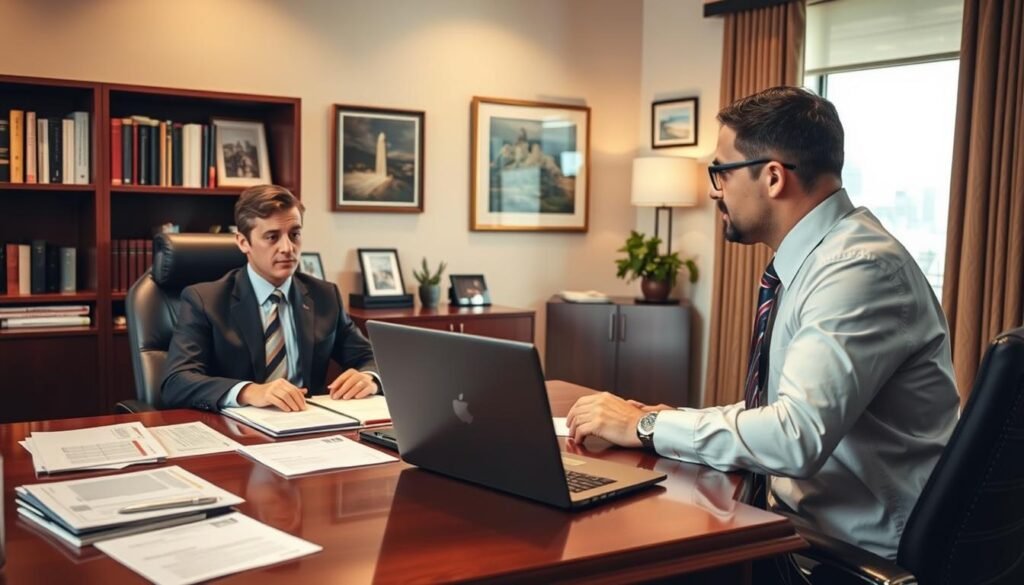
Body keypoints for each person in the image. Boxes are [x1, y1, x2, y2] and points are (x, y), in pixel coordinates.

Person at [567, 86, 960, 562]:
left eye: (720, 172)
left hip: (844, 553)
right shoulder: (819, 260)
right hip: (801, 525)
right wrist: (663, 419)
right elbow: (783, 408)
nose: (715, 190)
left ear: (773, 177)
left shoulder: (858, 271)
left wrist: (646, 426)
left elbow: (795, 435)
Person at [162, 184, 381, 412]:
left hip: (310, 425)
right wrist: (249, 391)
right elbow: (177, 382)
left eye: (294, 234)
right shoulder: (204, 300)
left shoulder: (325, 296)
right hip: (237, 428)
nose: (287, 248)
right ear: (243, 242)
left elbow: (372, 358)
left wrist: (370, 377)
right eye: (272, 237)